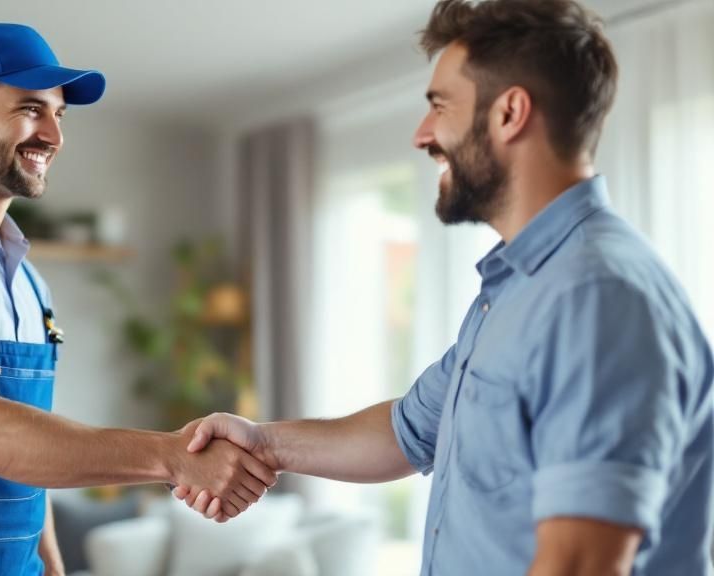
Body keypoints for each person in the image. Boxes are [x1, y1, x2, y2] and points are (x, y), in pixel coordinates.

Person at [176, 1, 714, 574]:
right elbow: (405, 431)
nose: (422, 134)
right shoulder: (516, 290)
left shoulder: (595, 297)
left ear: (509, 113)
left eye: (439, 106)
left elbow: (580, 564)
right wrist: (263, 442)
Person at [0, 22, 274, 576]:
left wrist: (51, 565)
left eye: (59, 115)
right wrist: (175, 457)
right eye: (31, 109)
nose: (54, 137)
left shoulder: (30, 283)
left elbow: (29, 450)